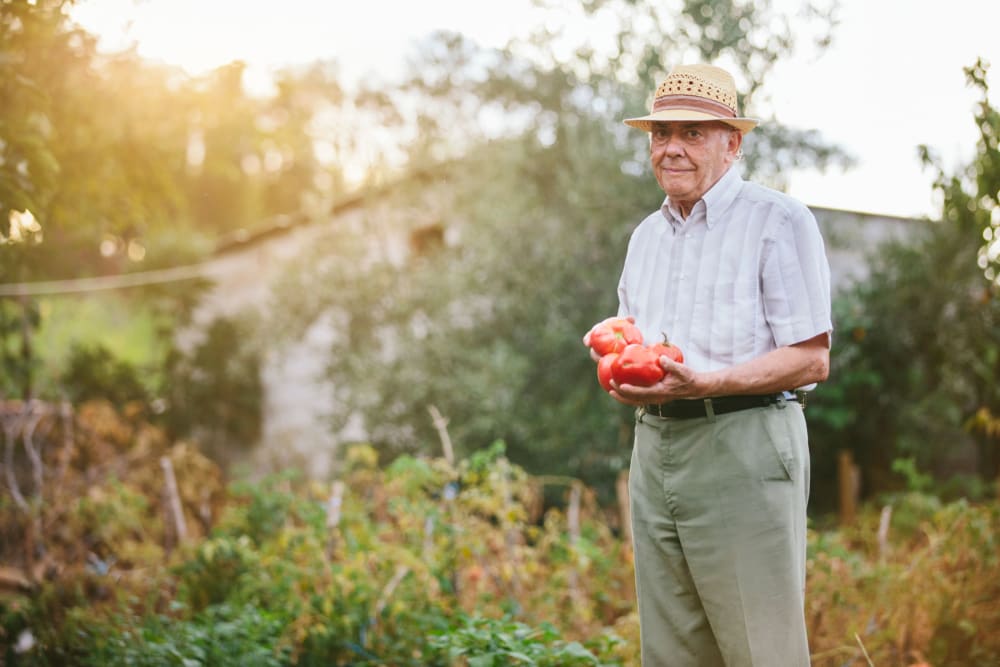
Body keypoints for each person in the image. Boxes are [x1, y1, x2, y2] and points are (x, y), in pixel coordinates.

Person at [602, 64, 832, 666]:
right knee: (672, 653)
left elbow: (812, 358)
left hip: (745, 441)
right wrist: (614, 351)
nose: (671, 147)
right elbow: (634, 338)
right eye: (661, 133)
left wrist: (707, 382)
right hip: (654, 449)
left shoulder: (777, 220)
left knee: (763, 652)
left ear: (733, 142)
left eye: (693, 133)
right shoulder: (645, 237)